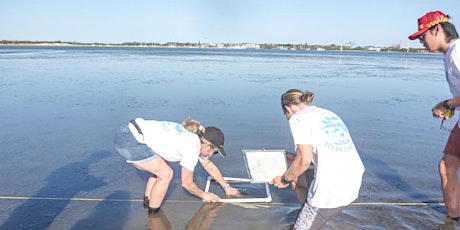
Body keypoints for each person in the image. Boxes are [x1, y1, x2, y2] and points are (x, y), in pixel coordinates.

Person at [271, 89, 365, 230]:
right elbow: (327, 150)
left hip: (331, 189)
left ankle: (309, 218)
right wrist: (292, 159)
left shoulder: (297, 119)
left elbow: (305, 160)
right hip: (353, 179)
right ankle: (308, 216)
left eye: (285, 114)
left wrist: (284, 179)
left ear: (287, 108)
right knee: (298, 178)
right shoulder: (326, 113)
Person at [114, 117, 240, 214]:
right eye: (215, 152)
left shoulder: (197, 136)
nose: (211, 155)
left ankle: (148, 201)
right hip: (131, 139)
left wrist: (226, 187)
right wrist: (204, 195)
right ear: (207, 146)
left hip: (131, 129)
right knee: (166, 174)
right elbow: (187, 184)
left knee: (161, 166)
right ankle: (153, 214)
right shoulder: (192, 147)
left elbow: (209, 165)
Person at [408, 11, 460, 221]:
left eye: (422, 36)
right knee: (447, 166)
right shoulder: (450, 54)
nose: (421, 41)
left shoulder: (457, 52)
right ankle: (452, 219)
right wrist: (453, 106)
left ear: (437, 29)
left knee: (447, 166)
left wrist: (447, 103)